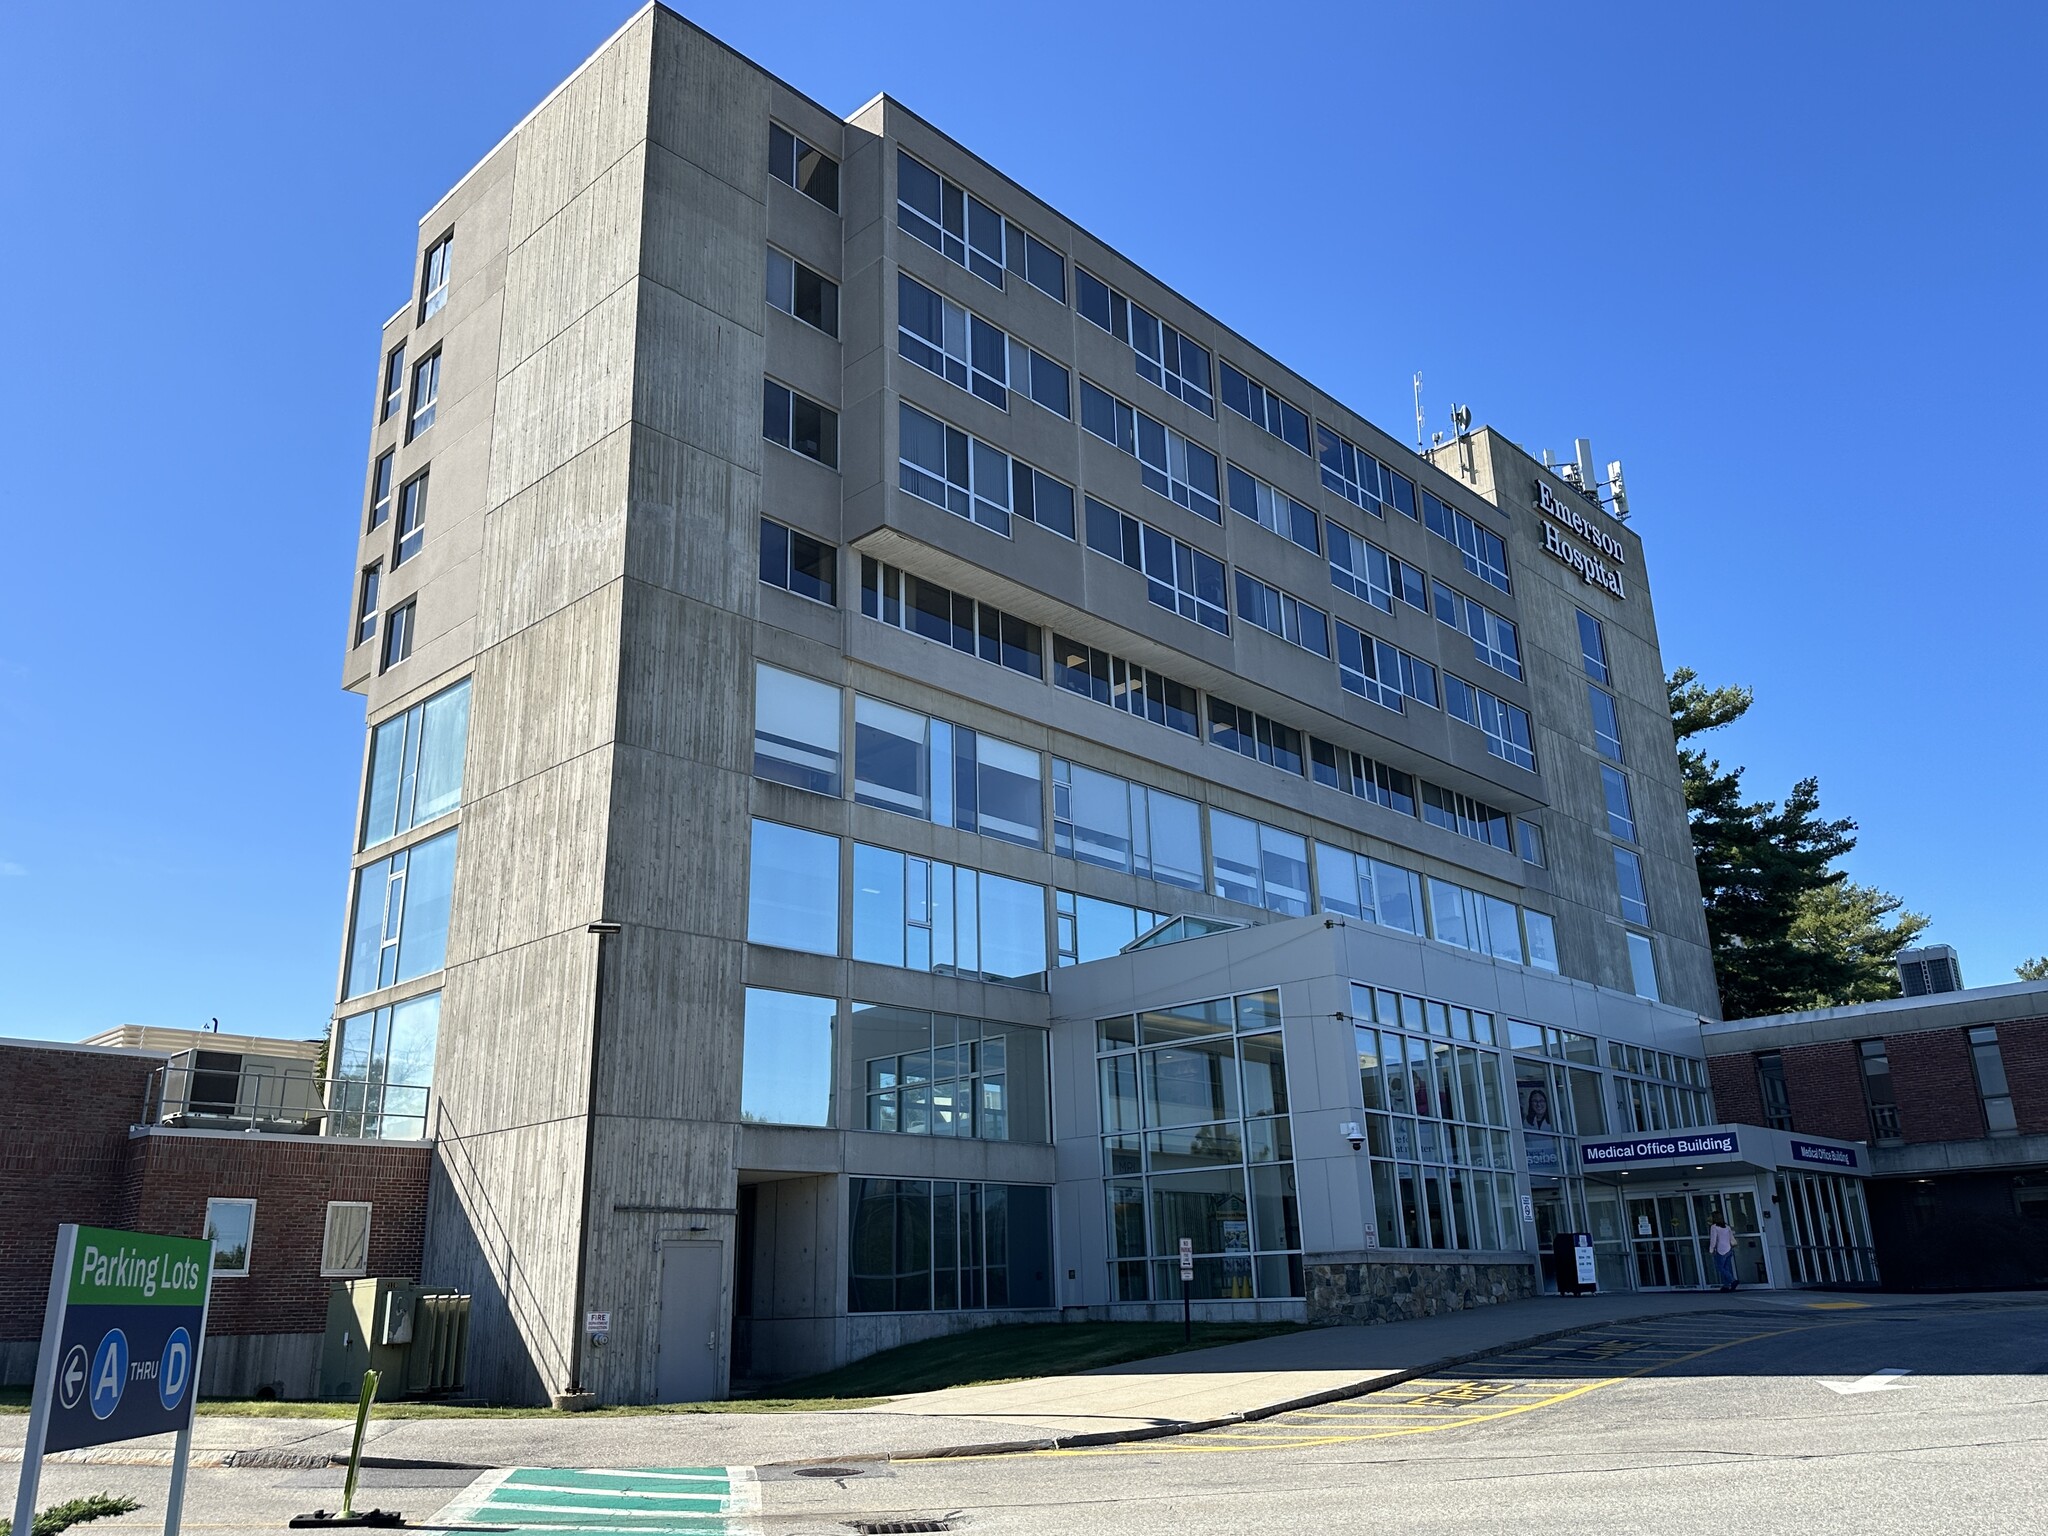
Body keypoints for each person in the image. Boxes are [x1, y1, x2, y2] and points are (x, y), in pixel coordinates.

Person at [1707, 1211, 1738, 1291]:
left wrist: (1711, 1250)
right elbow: (1731, 1237)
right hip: (1729, 1249)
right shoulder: (1727, 1227)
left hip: (1720, 1250)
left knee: (1720, 1267)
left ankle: (1732, 1280)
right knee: (1726, 1268)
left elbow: (1713, 1240)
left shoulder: (1714, 1227)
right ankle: (1726, 1286)